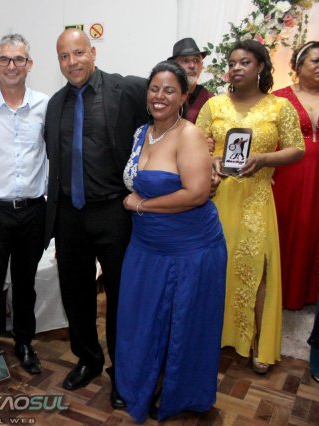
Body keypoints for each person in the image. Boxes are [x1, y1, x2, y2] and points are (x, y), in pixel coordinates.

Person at [115, 61, 226, 422]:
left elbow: (197, 193)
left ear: (183, 97)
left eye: (169, 90)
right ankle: (143, 383)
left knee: (183, 324)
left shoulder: (189, 135)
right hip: (146, 247)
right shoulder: (141, 132)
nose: (159, 96)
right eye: (154, 89)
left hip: (190, 249)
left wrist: (142, 205)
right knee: (142, 319)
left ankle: (179, 392)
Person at [44, 28, 147, 407]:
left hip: (114, 211)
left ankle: (124, 371)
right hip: (69, 215)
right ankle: (88, 358)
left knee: (122, 296)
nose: (72, 62)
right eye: (64, 56)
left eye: (78, 53)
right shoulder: (55, 105)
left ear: (93, 52)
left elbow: (162, 115)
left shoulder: (126, 90)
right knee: (76, 293)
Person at [196, 39, 304, 375]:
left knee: (257, 272)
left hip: (256, 199)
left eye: (244, 62)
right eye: (232, 63)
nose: (236, 68)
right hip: (216, 199)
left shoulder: (279, 107)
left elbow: (297, 149)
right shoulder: (213, 105)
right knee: (215, 270)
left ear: (260, 67)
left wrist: (264, 159)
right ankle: (209, 337)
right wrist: (211, 161)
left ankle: (257, 342)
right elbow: (194, 147)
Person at [0, 33, 48, 374]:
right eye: (4, 59)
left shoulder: (45, 105)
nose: (11, 65)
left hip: (33, 211)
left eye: (18, 59)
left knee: (26, 283)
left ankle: (24, 343)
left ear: (29, 64)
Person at [271, 41, 319, 310]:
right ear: (298, 65)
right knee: (289, 227)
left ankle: (310, 294)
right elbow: (267, 138)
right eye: (316, 61)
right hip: (289, 176)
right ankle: (281, 292)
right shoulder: (279, 99)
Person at [168, 38, 213, 124]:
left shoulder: (210, 99)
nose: (192, 65)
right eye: (185, 61)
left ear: (202, 66)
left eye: (196, 60)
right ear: (174, 66)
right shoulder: (164, 95)